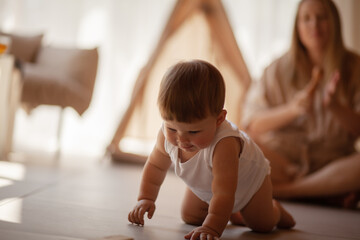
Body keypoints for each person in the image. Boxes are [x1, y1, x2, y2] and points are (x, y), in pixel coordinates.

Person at [128, 60, 295, 240]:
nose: (181, 139)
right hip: (208, 184)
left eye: (193, 131)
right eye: (172, 129)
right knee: (191, 217)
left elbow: (224, 191)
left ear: (219, 120)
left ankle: (275, 209)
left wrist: (212, 227)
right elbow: (155, 166)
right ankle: (229, 212)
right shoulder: (165, 135)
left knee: (262, 225)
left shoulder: (224, 145)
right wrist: (145, 198)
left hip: (248, 185)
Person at [242, 0, 360, 208]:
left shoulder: (355, 67)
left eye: (321, 17)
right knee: (239, 144)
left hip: (331, 164)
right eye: (306, 18)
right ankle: (319, 192)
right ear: (297, 27)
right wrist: (292, 110)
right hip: (283, 161)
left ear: (334, 22)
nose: (314, 25)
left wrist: (335, 107)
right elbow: (252, 124)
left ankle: (283, 192)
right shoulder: (277, 69)